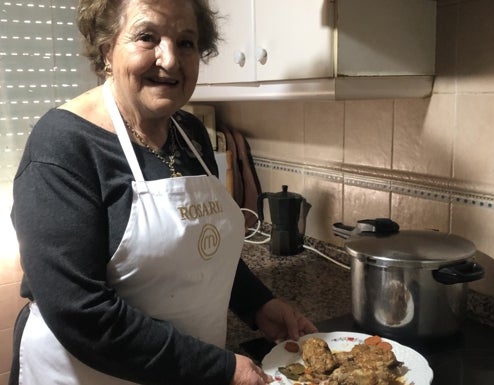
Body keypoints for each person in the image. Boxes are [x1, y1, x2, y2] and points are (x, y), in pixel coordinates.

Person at [9, 0, 317, 384]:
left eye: (186, 42)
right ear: (107, 48)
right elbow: (80, 313)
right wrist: (218, 368)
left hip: (184, 369)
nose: (170, 60)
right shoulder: (63, 145)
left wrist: (259, 305)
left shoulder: (191, 134)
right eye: (147, 37)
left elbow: (199, 250)